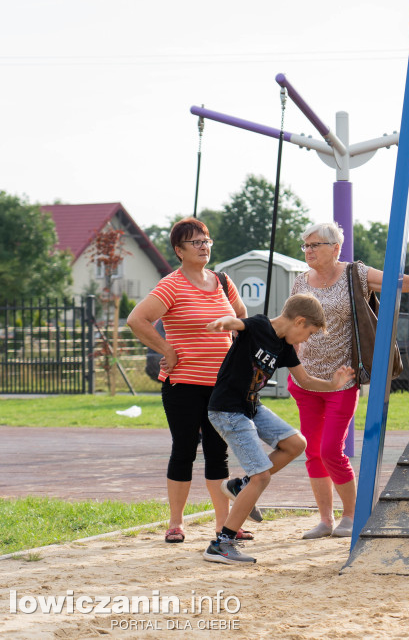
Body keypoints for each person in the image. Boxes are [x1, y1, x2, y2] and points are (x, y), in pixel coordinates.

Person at [203, 294, 354, 565]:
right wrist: (224, 323)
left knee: (297, 444)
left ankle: (241, 485)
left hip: (251, 406)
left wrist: (332, 385)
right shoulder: (260, 326)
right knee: (262, 477)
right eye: (309, 332)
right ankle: (222, 543)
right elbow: (238, 324)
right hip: (227, 409)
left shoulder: (284, 347)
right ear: (299, 321)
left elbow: (305, 379)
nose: (307, 339)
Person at [126, 217, 250, 545]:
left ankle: (225, 526)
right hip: (183, 384)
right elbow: (136, 319)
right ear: (179, 251)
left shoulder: (223, 282)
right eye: (195, 242)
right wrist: (165, 348)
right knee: (183, 451)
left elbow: (242, 318)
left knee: (217, 453)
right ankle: (176, 523)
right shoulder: (172, 285)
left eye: (206, 240)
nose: (203, 246)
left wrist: (239, 346)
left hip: (221, 386)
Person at [287, 222, 402, 540]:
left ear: (336, 248)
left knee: (331, 451)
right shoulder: (300, 281)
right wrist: (291, 365)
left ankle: (351, 515)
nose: (308, 251)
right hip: (306, 379)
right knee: (312, 451)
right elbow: (291, 328)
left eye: (315, 245)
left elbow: (397, 282)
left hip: (342, 380)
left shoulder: (356, 274)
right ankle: (325, 519)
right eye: (305, 246)